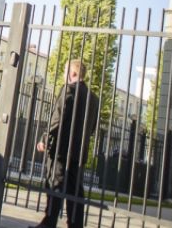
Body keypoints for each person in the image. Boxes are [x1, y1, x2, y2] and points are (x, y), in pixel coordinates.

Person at [32, 60, 100, 228]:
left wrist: (44, 139)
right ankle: (75, 225)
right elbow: (92, 128)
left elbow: (57, 119)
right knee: (75, 192)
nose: (64, 75)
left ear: (73, 73)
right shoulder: (94, 98)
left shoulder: (68, 90)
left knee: (55, 186)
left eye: (65, 71)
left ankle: (48, 223)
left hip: (61, 151)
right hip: (79, 153)